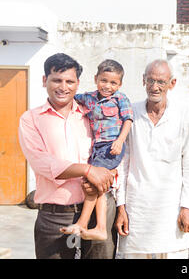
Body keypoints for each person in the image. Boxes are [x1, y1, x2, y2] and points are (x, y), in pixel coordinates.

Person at [18, 53, 116, 259]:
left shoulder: (91, 115)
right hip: (55, 217)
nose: (63, 87)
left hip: (97, 212)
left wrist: (104, 176)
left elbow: (110, 149)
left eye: (70, 81)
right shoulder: (31, 119)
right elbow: (42, 163)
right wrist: (88, 170)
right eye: (57, 80)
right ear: (45, 80)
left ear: (78, 83)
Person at [115, 59, 189, 259]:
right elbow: (123, 163)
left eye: (161, 81)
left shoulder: (182, 113)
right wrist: (121, 207)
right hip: (137, 209)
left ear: (172, 83)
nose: (155, 87)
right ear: (143, 81)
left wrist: (186, 206)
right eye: (150, 80)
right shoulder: (130, 113)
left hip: (171, 209)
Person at [60, 59, 133, 241]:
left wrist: (120, 141)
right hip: (97, 149)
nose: (107, 86)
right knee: (100, 187)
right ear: (95, 78)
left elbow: (128, 120)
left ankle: (83, 223)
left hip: (111, 147)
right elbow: (72, 97)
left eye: (113, 82)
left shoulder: (120, 99)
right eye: (103, 80)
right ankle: (99, 227)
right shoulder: (89, 98)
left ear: (120, 84)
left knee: (92, 184)